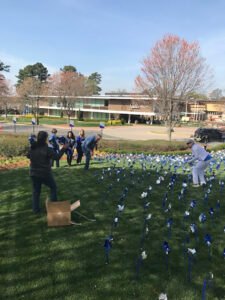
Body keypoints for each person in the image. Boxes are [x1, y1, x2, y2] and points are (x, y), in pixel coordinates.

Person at [27, 131, 69, 214]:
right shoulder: (47, 149)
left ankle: (36, 210)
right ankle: (53, 209)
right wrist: (64, 148)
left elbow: (28, 156)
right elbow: (57, 157)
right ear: (45, 139)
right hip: (44, 173)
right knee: (53, 188)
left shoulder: (32, 147)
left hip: (33, 173)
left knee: (36, 192)